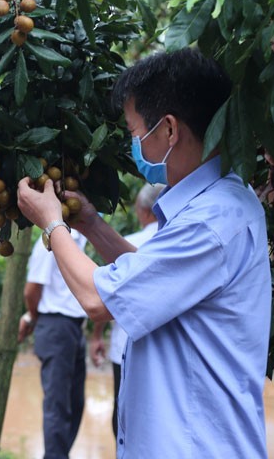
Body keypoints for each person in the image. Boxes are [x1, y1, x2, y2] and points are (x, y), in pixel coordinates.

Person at [15, 48, 271, 458]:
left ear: (169, 130)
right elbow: (147, 279)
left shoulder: (212, 220)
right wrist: (93, 226)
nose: (135, 145)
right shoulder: (213, 207)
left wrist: (51, 222)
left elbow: (98, 299)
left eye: (136, 133)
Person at [89, 183, 162, 443]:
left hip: (124, 348)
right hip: (164, 353)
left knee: (124, 419)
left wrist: (53, 226)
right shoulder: (175, 240)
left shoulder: (129, 244)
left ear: (144, 212)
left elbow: (100, 301)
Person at [18, 228, 89, 459]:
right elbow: (32, 290)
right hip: (55, 326)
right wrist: (33, 316)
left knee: (75, 403)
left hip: (74, 327)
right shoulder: (48, 243)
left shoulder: (79, 240)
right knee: (57, 406)